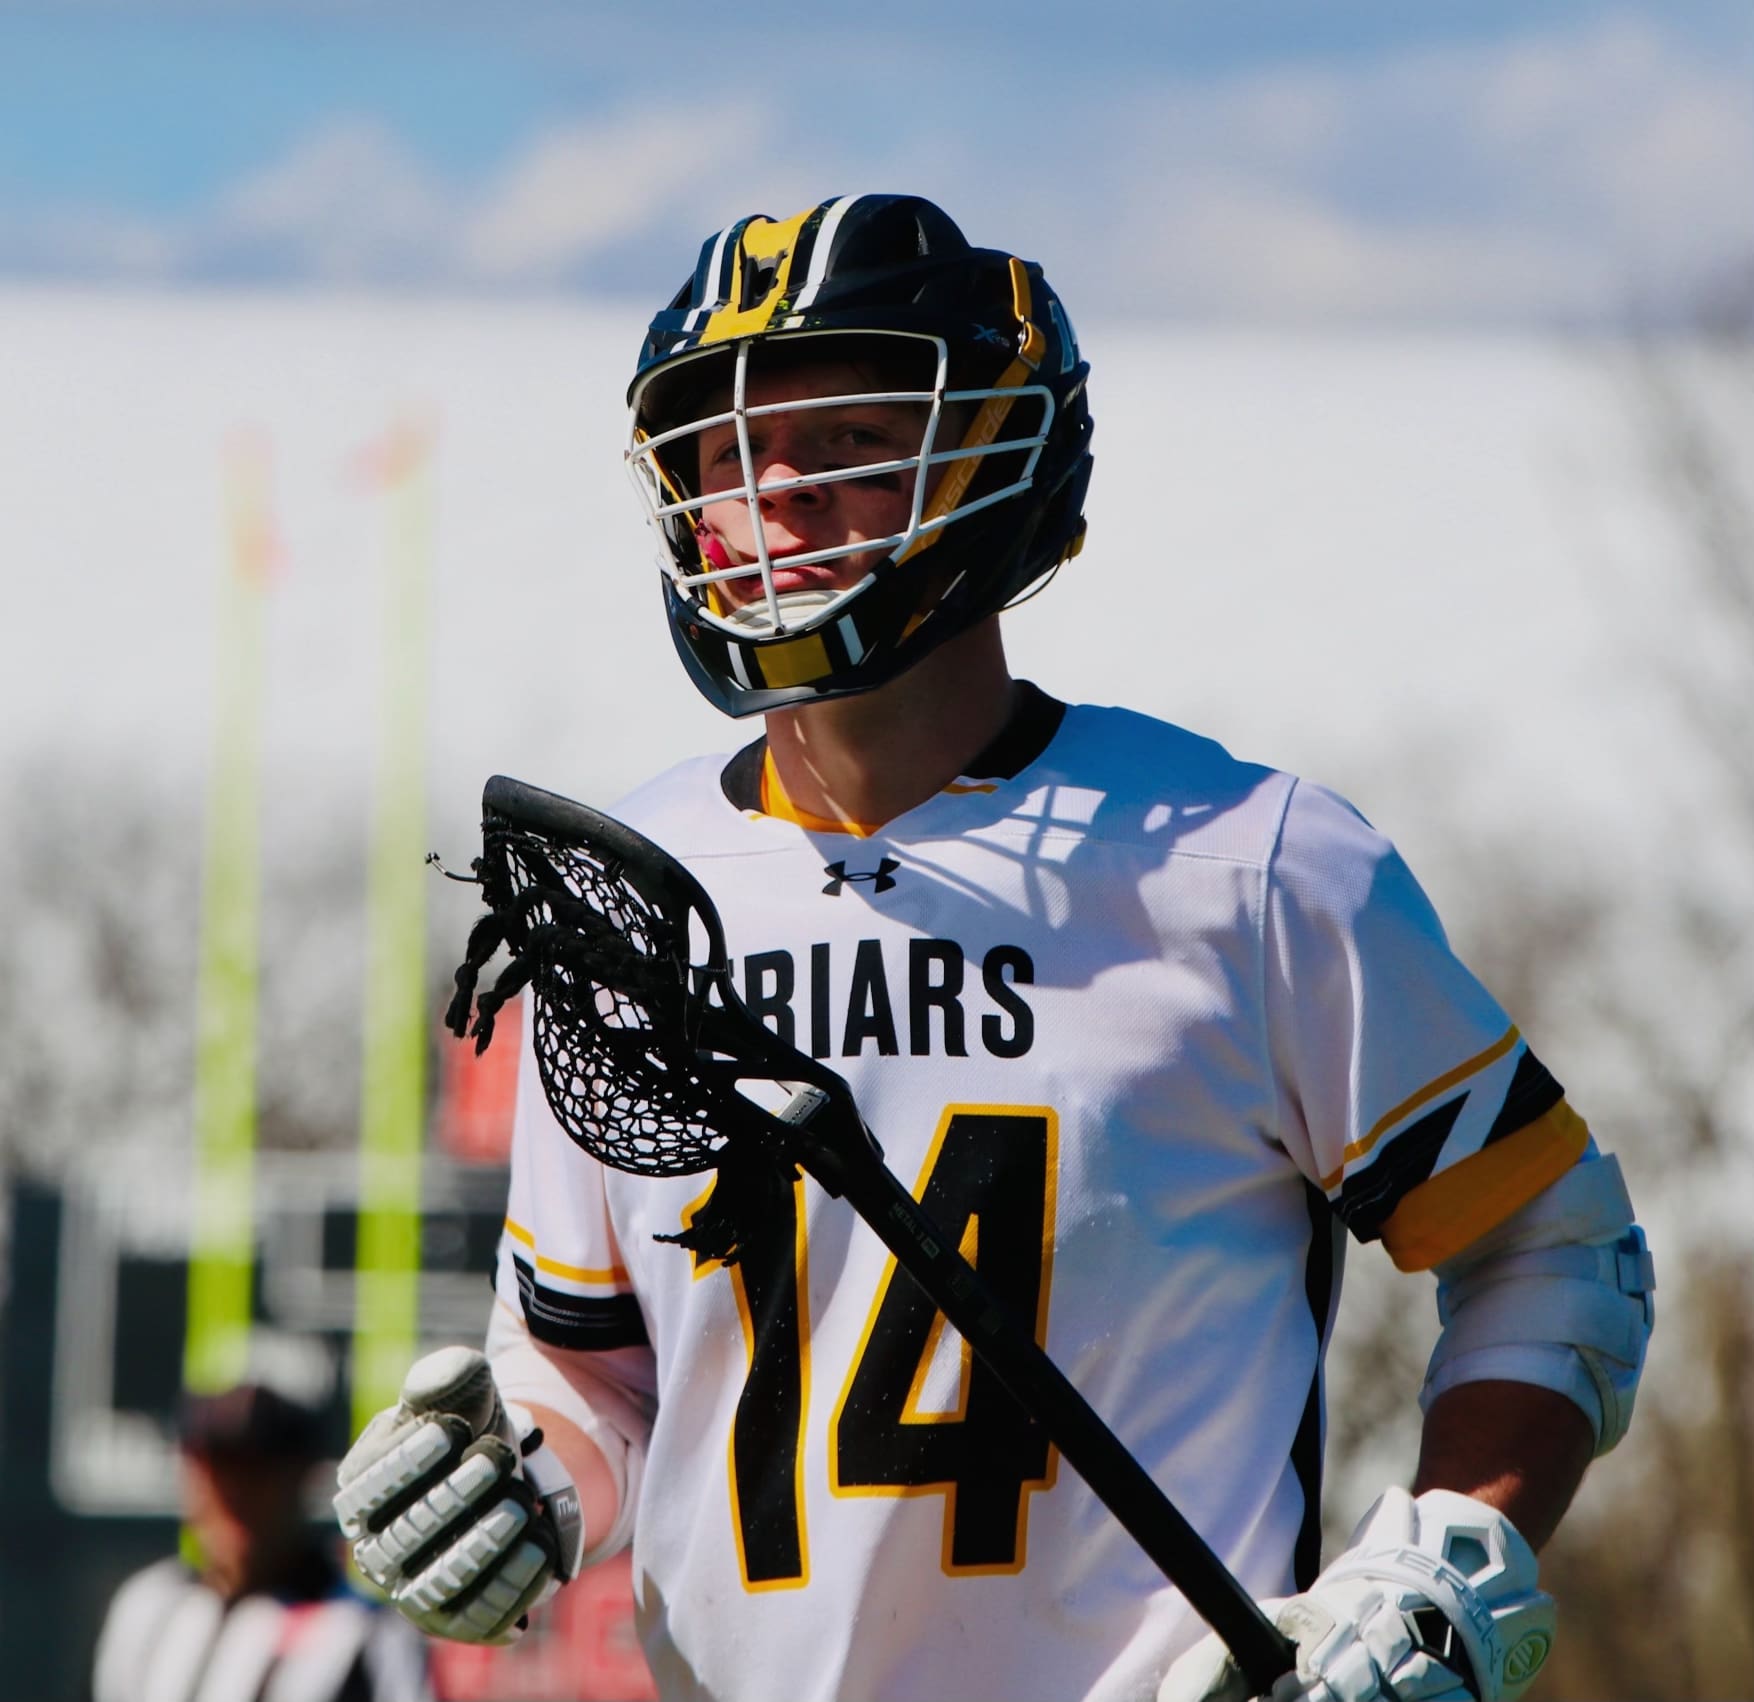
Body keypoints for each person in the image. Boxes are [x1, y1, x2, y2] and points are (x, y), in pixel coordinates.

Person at [335, 195, 1654, 1702]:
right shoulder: (628, 901)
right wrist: (518, 1483)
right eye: (726, 452)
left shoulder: (1244, 867)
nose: (772, 496)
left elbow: (1555, 1251)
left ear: (996, 451)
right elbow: (589, 1365)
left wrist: (1438, 1566)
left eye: (846, 440)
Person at [94, 1380, 433, 1702]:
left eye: (256, 1473)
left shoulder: (365, 1631)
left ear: (299, 1478)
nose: (236, 1495)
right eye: (220, 1470)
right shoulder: (147, 1605)